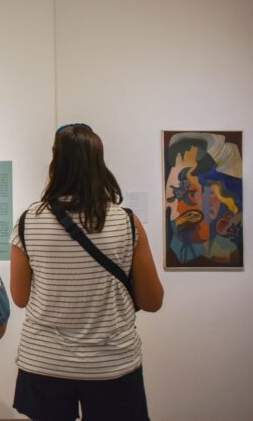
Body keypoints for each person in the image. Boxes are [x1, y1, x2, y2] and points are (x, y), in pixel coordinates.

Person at [9, 123, 164, 421]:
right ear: (98, 162)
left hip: (45, 361)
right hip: (112, 363)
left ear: (55, 163)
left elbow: (20, 298)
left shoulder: (28, 222)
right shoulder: (127, 222)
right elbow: (152, 301)